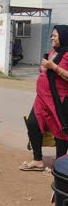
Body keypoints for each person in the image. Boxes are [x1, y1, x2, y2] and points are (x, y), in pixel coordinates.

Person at [20, 25, 68, 171]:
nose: (52, 38)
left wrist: (53, 66)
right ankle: (37, 160)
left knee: (61, 131)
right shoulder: (53, 51)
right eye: (52, 35)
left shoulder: (67, 54)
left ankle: (59, 166)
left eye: (55, 35)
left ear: (64, 37)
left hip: (58, 99)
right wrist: (44, 68)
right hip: (42, 97)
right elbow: (46, 68)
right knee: (33, 124)